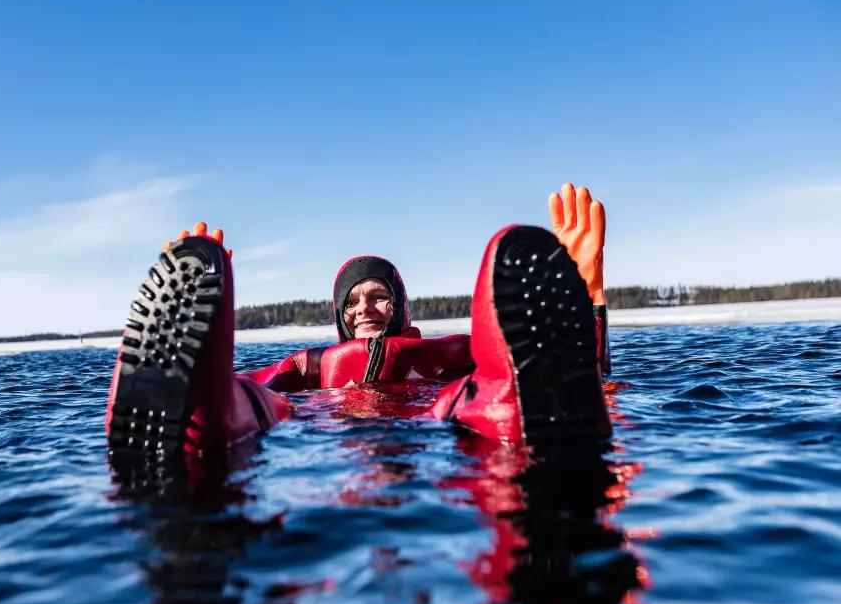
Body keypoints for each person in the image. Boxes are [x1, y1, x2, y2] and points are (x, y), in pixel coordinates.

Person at [105, 184, 611, 459]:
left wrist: (585, 306)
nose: (363, 309)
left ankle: (522, 404)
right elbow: (260, 381)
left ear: (401, 307)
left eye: (379, 297)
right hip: (327, 424)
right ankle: (192, 404)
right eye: (351, 302)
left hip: (429, 417)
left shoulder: (444, 353)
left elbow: (590, 378)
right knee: (262, 402)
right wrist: (207, 355)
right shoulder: (313, 364)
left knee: (486, 391)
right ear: (338, 315)